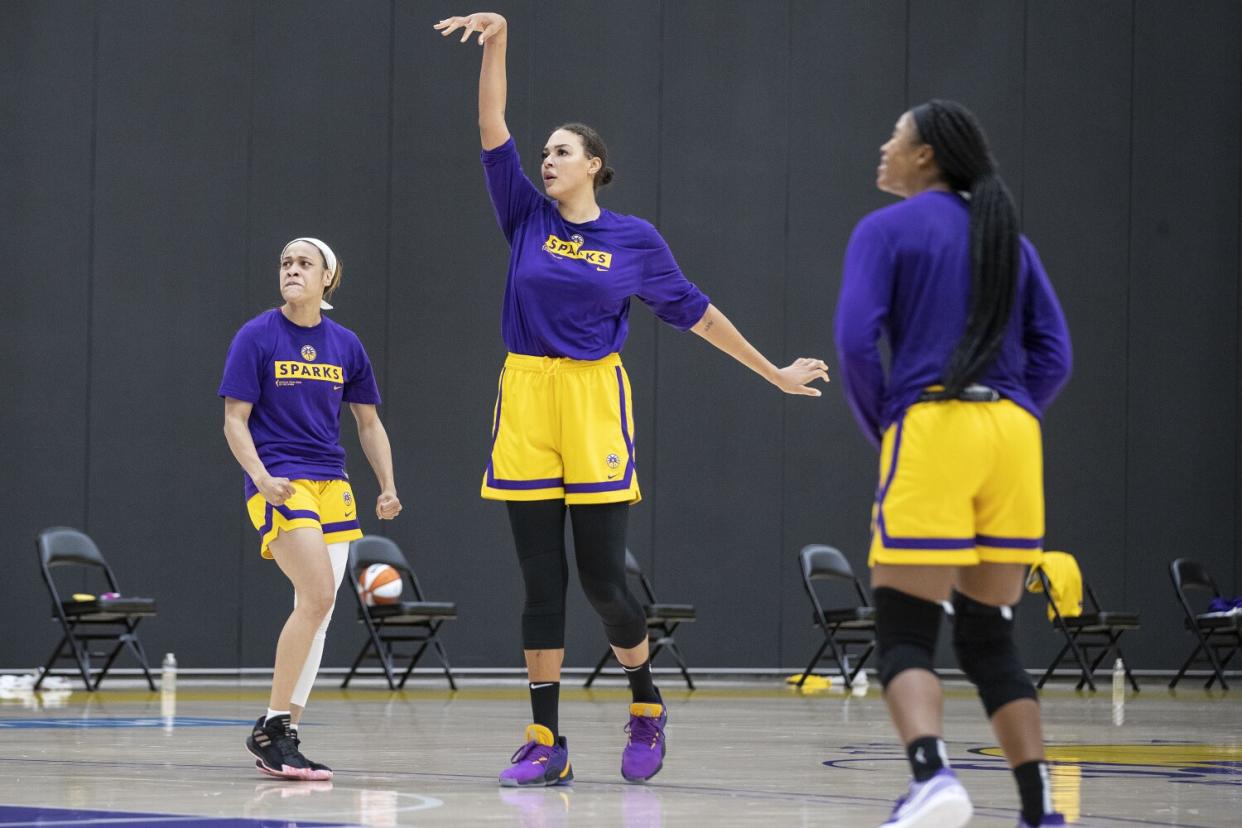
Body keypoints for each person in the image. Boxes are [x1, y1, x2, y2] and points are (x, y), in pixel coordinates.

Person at [434, 11, 830, 788]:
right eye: (543, 150)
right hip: (525, 394)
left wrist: (775, 372)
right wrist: (501, 38)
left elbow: (698, 314)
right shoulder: (523, 219)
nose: (546, 158)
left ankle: (645, 704)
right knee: (540, 584)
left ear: (594, 166)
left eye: (561, 150)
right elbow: (491, 121)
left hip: (592, 399)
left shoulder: (635, 241)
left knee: (603, 582)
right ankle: (546, 739)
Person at [834, 100, 1072, 828]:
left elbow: (853, 342)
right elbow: (1055, 354)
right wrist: (1011, 415)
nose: (883, 146)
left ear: (926, 155)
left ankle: (933, 777)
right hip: (1013, 436)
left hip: (932, 425)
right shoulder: (1007, 239)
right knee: (988, 634)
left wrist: (893, 426)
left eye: (894, 136)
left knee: (904, 632)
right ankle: (1038, 811)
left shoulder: (884, 230)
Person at [220, 237, 402, 780]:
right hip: (280, 481)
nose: (292, 270)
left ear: (329, 278)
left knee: (318, 612)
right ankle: (273, 726)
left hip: (333, 484)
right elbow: (234, 419)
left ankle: (283, 733)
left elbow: (368, 423)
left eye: (304, 263)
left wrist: (387, 484)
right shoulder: (256, 335)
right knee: (319, 593)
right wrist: (260, 477)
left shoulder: (345, 344)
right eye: (285, 263)